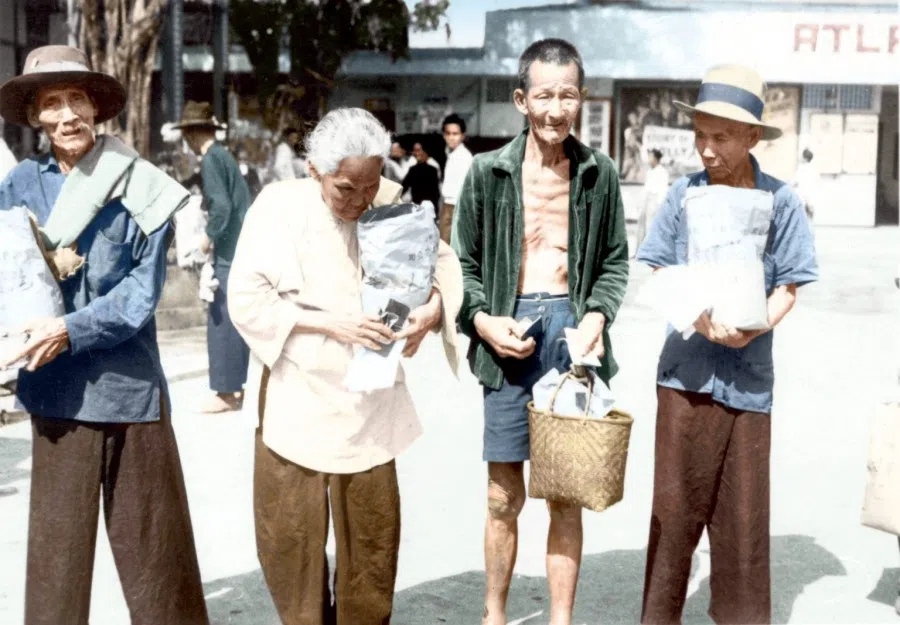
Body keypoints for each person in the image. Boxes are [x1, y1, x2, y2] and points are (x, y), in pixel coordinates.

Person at [227, 107, 463, 625]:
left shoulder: (389, 201)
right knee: (290, 545)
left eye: (370, 185)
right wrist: (330, 323)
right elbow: (245, 298)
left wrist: (433, 308)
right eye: (344, 189)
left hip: (368, 400)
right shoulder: (278, 206)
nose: (360, 201)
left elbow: (442, 262)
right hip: (297, 396)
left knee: (372, 548)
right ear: (314, 171)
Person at [0, 44, 208, 625]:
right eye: (52, 103)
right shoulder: (17, 185)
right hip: (56, 392)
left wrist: (69, 329)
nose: (67, 115)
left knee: (157, 558)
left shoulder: (143, 184)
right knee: (56, 562)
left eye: (77, 99)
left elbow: (141, 296)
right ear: (36, 117)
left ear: (96, 108)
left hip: (129, 391)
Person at [452, 38, 629, 625]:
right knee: (503, 494)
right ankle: (494, 615)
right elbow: (464, 268)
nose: (558, 109)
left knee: (566, 492)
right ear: (521, 100)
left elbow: (614, 263)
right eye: (546, 95)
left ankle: (560, 619)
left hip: (571, 333)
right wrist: (481, 320)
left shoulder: (598, 175)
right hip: (506, 330)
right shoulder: (486, 173)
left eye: (569, 94)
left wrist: (597, 318)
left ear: (582, 98)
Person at [636, 64, 819, 624]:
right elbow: (655, 271)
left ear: (752, 138)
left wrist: (760, 322)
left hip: (748, 384)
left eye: (720, 137)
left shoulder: (782, 201)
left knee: (742, 522)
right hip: (685, 378)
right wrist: (695, 315)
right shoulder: (681, 196)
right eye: (700, 136)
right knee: (673, 513)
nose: (706, 150)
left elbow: (790, 283)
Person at [175, 101, 252, 413]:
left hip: (228, 250)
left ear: (192, 135)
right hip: (240, 245)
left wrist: (206, 240)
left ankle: (225, 391)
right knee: (233, 320)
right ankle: (235, 387)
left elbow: (220, 206)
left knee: (221, 320)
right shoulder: (224, 156)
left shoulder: (210, 160)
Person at [439, 113, 474, 243]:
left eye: (455, 134)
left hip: (457, 208)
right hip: (447, 205)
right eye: (448, 133)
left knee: (450, 249)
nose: (451, 137)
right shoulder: (450, 154)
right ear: (444, 135)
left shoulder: (464, 157)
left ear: (462, 136)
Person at [634, 148, 669, 255]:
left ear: (656, 158)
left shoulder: (662, 172)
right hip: (647, 200)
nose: (649, 159)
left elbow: (663, 189)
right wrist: (641, 202)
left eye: (651, 156)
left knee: (651, 225)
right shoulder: (649, 171)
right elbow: (646, 188)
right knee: (641, 226)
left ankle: (652, 252)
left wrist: (659, 204)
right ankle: (640, 251)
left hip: (655, 201)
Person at [402, 141, 441, 210]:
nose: (415, 153)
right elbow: (404, 187)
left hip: (426, 207)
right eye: (414, 151)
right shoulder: (413, 169)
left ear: (425, 152)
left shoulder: (433, 168)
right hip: (419, 206)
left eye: (418, 150)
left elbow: (436, 192)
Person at [793, 147, 819, 221]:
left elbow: (794, 182)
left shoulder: (801, 169)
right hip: (810, 198)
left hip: (802, 197)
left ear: (805, 158)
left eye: (802, 156)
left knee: (801, 220)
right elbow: (816, 183)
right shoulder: (814, 169)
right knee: (809, 220)